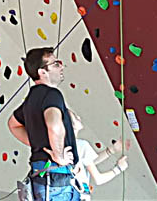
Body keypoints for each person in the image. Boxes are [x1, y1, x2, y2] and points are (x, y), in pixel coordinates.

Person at [7, 47, 80, 201]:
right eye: (55, 64)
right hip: (55, 176)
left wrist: (37, 142)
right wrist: (59, 156)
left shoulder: (31, 99)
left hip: (43, 175)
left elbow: (13, 124)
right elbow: (54, 125)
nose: (61, 66)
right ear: (42, 72)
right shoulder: (52, 94)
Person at [67, 114, 128, 200]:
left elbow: (88, 162)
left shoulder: (61, 145)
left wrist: (112, 150)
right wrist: (119, 168)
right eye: (76, 117)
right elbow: (99, 179)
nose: (79, 117)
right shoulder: (81, 144)